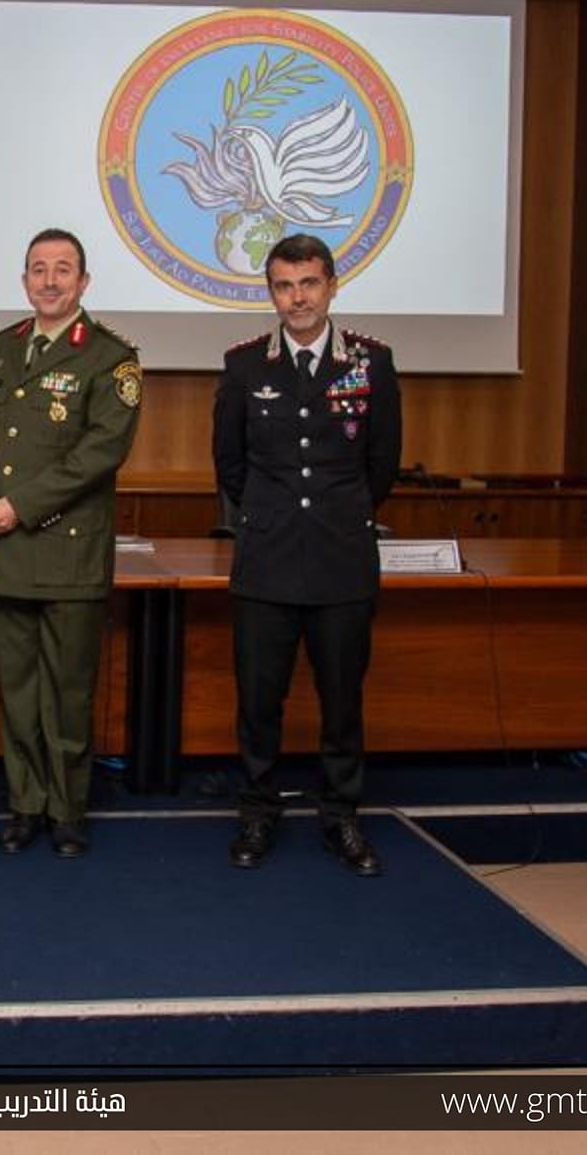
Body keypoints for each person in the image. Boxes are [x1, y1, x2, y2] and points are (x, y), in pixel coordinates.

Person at [213, 233, 402, 876]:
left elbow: (382, 464)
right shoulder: (244, 366)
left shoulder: (372, 364)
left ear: (332, 286)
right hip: (266, 560)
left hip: (340, 559)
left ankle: (341, 816)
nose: (297, 298)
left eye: (309, 283)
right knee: (258, 702)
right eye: (284, 286)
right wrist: (270, 517)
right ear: (271, 292)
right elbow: (230, 464)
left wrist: (336, 515)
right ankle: (257, 812)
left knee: (342, 701)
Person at [0, 229, 141, 858]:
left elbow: (100, 453)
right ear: (24, 280)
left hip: (67, 550)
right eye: (38, 269)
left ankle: (67, 810)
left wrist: (21, 505)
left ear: (83, 282)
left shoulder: (111, 357)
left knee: (67, 693)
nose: (49, 280)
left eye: (62, 269)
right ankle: (25, 804)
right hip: (10, 552)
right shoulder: (5, 345)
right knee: (17, 691)